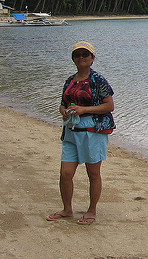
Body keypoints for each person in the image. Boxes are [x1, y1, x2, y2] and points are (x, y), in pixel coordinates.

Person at [46, 41, 115, 225]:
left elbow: (109, 106)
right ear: (73, 59)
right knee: (65, 173)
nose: (81, 58)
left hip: (93, 131)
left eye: (85, 55)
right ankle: (67, 209)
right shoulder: (70, 80)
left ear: (92, 58)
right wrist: (63, 110)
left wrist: (83, 110)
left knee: (93, 173)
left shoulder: (98, 80)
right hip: (71, 131)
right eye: (78, 55)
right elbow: (63, 102)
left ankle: (92, 210)